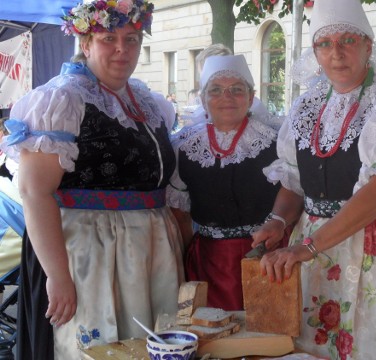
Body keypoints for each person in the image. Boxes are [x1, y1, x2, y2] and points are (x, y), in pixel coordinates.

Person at [251, 0, 376, 357]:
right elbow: (293, 180)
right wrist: (278, 220)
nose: (336, 53)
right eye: (325, 43)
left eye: (348, 40)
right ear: (315, 52)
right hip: (314, 251)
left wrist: (308, 246)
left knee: (373, 345)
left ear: (369, 45)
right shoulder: (307, 105)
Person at [2, 1, 184, 358]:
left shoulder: (148, 103)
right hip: (90, 253)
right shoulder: (62, 100)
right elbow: (34, 192)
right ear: (85, 44)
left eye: (131, 39)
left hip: (150, 253)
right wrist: (58, 276)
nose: (122, 49)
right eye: (108, 38)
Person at [167, 55, 283, 310]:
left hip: (266, 258)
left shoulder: (277, 143)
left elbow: (291, 198)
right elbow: (179, 212)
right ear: (203, 99)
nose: (226, 97)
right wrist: (189, 254)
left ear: (251, 98)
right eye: (216, 90)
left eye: (236, 90)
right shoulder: (184, 146)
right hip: (208, 262)